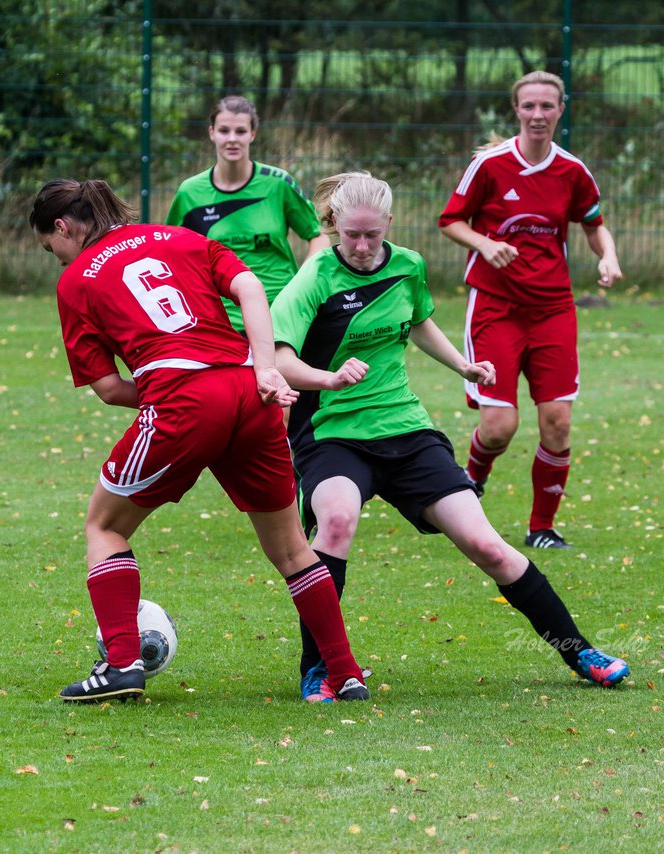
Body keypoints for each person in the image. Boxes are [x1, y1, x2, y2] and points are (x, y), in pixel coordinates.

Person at [269, 171, 628, 700]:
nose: (364, 247)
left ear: (389, 224)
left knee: (489, 545)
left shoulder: (408, 264)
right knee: (337, 521)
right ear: (334, 227)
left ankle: (579, 651)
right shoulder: (314, 277)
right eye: (353, 236)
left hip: (405, 429)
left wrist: (464, 366)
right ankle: (317, 668)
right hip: (330, 433)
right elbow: (278, 360)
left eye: (373, 234)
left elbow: (418, 322)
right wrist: (328, 377)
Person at [29, 178, 368, 704]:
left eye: (53, 250)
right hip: (248, 389)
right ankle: (344, 675)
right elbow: (251, 287)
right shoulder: (177, 237)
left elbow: (108, 387)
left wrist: (180, 384)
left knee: (104, 525)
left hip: (183, 399)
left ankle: (121, 665)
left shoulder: (76, 280)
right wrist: (261, 367)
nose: (58, 258)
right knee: (292, 549)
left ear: (62, 227)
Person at [438, 70, 623, 550]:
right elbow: (450, 220)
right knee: (498, 427)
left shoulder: (573, 171)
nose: (538, 115)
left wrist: (608, 254)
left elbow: (594, 224)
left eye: (547, 106)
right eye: (529, 106)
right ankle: (471, 478)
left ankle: (542, 527)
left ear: (561, 109)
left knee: (558, 421)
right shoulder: (491, 165)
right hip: (495, 306)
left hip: (552, 309)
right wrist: (485, 243)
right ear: (516, 110)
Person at [166, 95, 330, 333]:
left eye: (240, 131)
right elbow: (171, 254)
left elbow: (319, 236)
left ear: (252, 134)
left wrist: (301, 283)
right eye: (224, 130)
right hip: (220, 319)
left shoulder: (278, 183)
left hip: (279, 313)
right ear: (212, 133)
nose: (232, 139)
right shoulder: (190, 192)